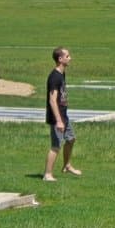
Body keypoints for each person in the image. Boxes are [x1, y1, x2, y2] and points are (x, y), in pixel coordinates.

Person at [43, 47, 81, 181]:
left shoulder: (61, 74)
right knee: (56, 145)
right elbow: (52, 100)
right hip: (56, 117)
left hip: (64, 115)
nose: (70, 58)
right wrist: (59, 120)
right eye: (68, 56)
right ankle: (47, 174)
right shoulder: (54, 77)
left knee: (71, 139)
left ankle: (67, 166)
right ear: (60, 59)